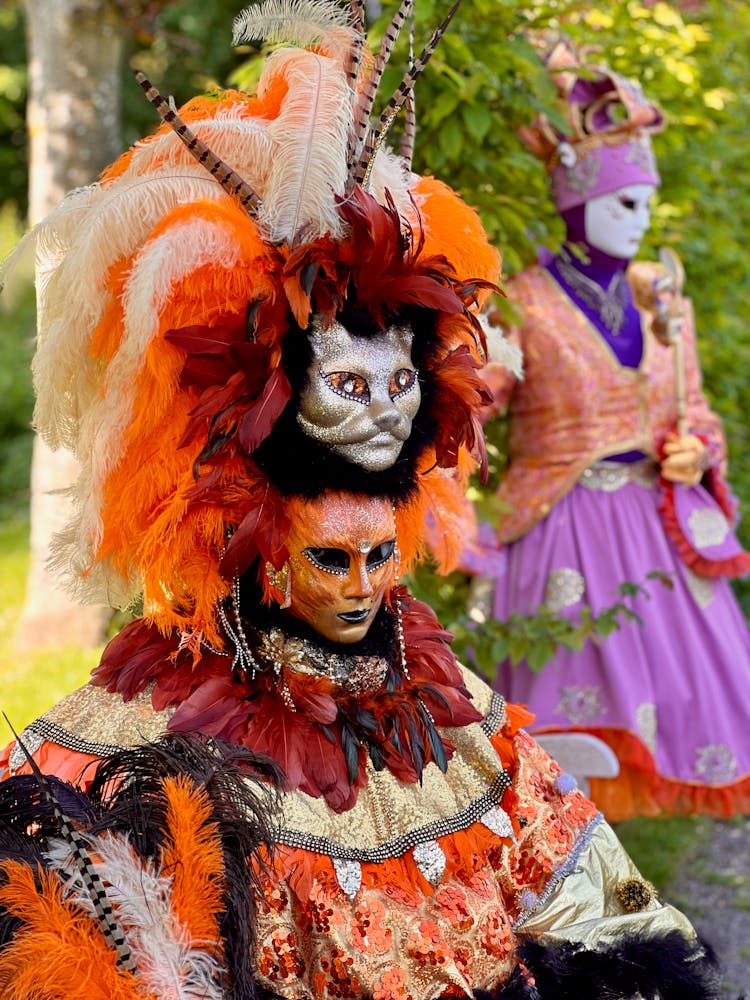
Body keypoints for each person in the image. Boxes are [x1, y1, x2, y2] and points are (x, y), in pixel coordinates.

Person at [0, 5, 725, 997]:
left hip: (409, 690)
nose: (386, 412)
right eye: (349, 384)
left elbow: (594, 891)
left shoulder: (448, 701)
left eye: (401, 383)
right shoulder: (182, 674)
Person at [477, 37, 750, 822]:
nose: (642, 221)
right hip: (558, 527)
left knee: (673, 698)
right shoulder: (521, 303)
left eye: (648, 203)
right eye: (627, 202)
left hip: (655, 531)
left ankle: (631, 878)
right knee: (563, 726)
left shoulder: (662, 293)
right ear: (578, 202)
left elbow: (692, 405)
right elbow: (471, 416)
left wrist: (699, 447)